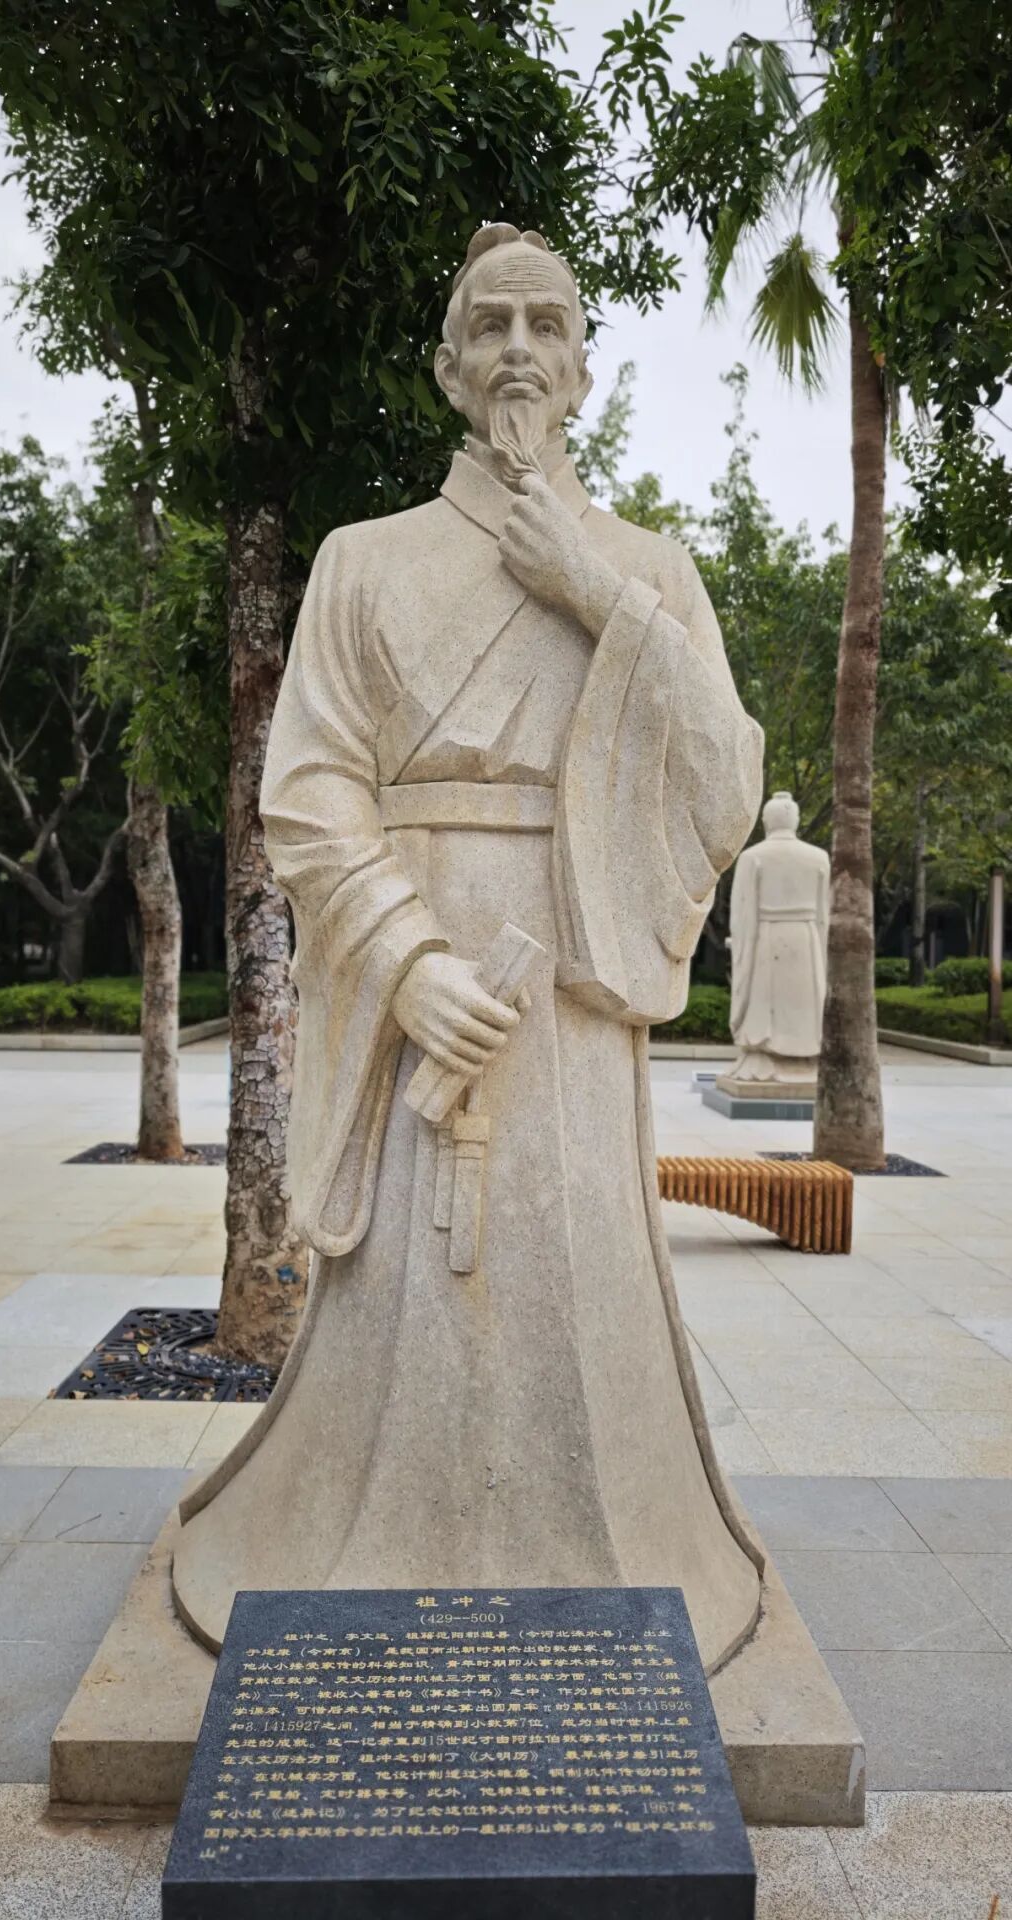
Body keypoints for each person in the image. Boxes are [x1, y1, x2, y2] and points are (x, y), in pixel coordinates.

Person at [172, 223, 766, 1674]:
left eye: (546, 324)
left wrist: (594, 592)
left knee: (574, 1270)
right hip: (417, 978)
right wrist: (406, 959)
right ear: (446, 370)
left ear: (582, 370)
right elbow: (309, 793)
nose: (516, 349)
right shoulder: (362, 563)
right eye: (488, 324)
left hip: (572, 989)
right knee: (404, 1306)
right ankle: (358, 1543)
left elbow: (724, 788)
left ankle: (615, 1549)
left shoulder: (651, 571)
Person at [727, 791, 830, 1089]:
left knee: (767, 1002)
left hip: (767, 939)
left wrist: (741, 947)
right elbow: (824, 915)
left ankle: (764, 1057)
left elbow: (742, 914)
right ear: (796, 820)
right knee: (805, 1001)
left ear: (766, 821)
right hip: (807, 940)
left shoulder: (752, 857)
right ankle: (805, 1055)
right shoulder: (818, 858)